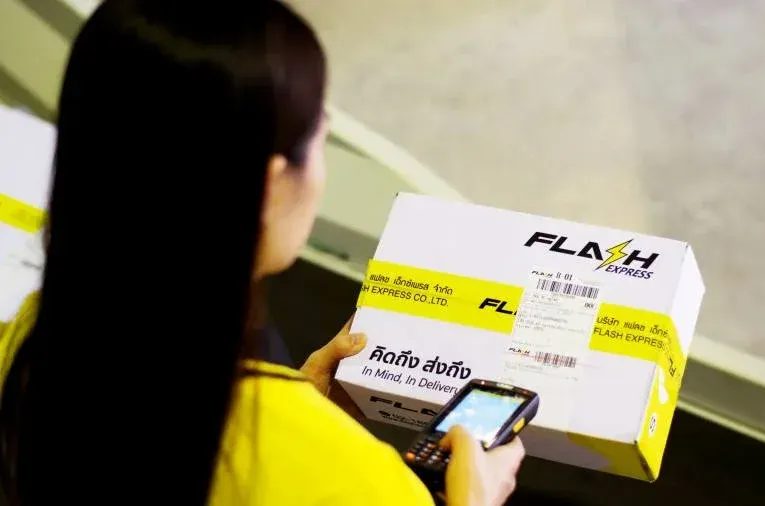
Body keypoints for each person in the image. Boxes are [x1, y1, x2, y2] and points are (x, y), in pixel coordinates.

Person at [0, 1, 525, 505]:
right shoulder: (362, 481)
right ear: (267, 189)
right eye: (319, 137)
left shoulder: (22, 343)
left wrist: (290, 402)